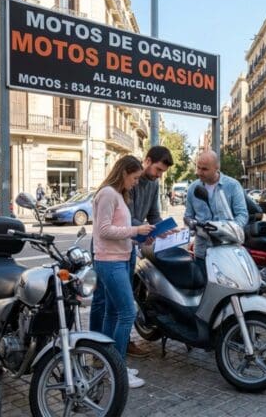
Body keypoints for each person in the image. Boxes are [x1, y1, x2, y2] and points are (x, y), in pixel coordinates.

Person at [90, 155, 154, 389]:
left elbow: (118, 230)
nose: (137, 182)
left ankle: (108, 364)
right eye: (135, 177)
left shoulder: (117, 195)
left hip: (118, 258)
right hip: (111, 262)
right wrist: (136, 229)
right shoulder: (108, 193)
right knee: (127, 312)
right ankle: (117, 370)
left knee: (113, 313)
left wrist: (141, 234)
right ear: (124, 172)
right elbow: (104, 230)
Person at [123, 145, 173, 358]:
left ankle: (123, 343)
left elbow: (154, 215)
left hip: (131, 246)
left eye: (163, 172)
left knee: (124, 297)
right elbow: (126, 217)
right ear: (147, 161)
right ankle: (113, 347)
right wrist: (147, 229)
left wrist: (167, 229)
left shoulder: (153, 186)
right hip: (117, 244)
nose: (160, 175)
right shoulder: (129, 180)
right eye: (158, 170)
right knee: (113, 301)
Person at [184, 150, 248, 262]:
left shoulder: (233, 186)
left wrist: (228, 230)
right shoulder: (192, 189)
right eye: (198, 167)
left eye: (204, 169)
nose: (199, 172)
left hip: (227, 249)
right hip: (202, 251)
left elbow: (242, 215)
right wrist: (190, 224)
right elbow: (188, 216)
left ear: (216, 168)